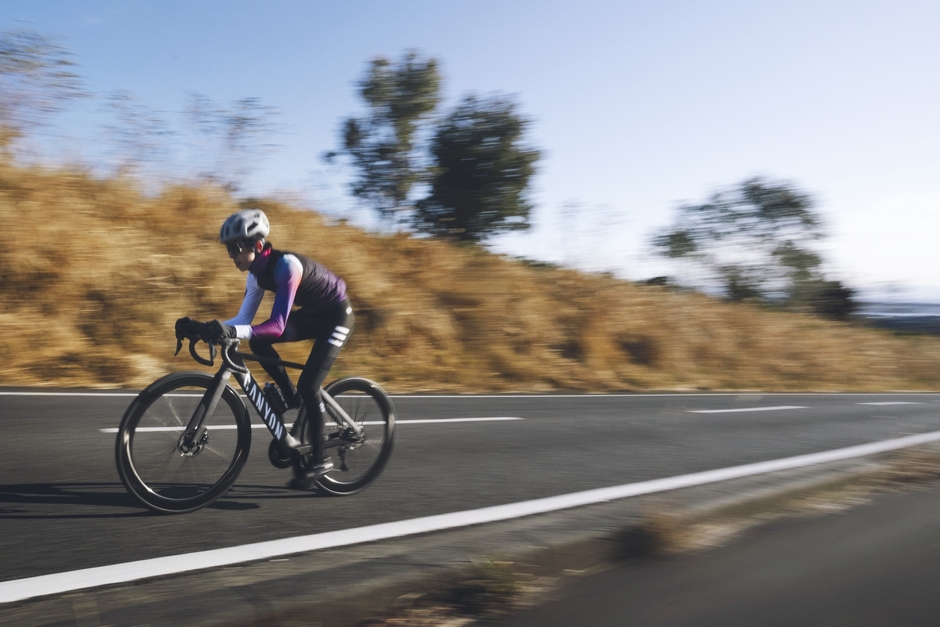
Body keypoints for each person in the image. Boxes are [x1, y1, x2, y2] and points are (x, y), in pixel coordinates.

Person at [179, 208, 353, 489]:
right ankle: (290, 397)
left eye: (236, 249)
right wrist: (202, 327)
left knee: (310, 384)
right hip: (311, 315)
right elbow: (243, 321)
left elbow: (277, 325)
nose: (232, 256)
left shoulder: (287, 266)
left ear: (257, 245)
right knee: (258, 341)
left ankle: (320, 459)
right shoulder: (255, 276)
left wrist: (230, 331)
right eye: (228, 251)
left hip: (336, 316)